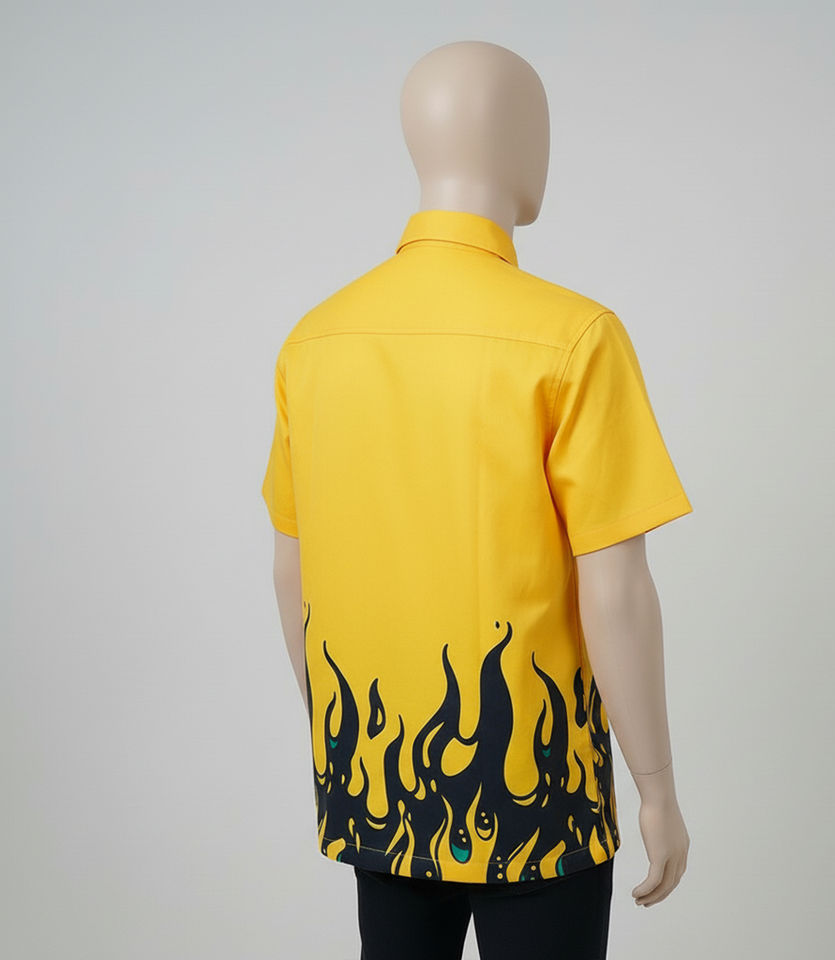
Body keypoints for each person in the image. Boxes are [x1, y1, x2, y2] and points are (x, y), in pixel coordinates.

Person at [262, 39, 692, 960]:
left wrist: (339, 736)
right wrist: (655, 785)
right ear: (519, 141)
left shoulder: (313, 342)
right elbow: (615, 587)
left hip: (380, 768)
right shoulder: (575, 337)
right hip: (535, 782)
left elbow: (292, 566)